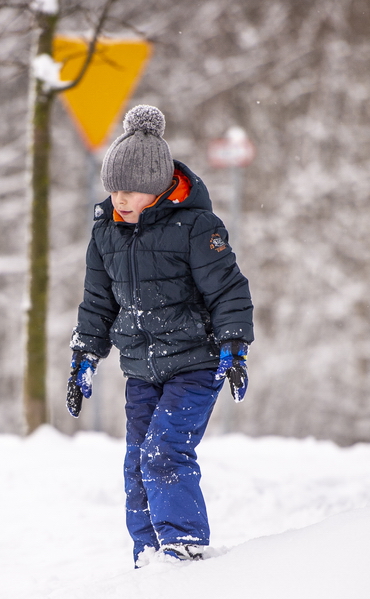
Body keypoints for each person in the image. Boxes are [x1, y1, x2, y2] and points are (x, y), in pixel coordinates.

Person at [66, 105, 254, 565]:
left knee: (164, 452)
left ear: (156, 187)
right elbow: (97, 302)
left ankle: (183, 546)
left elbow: (228, 288)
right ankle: (149, 554)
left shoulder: (195, 228)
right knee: (136, 462)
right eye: (113, 190)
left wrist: (233, 344)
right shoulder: (105, 234)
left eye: (129, 191)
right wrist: (84, 356)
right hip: (142, 371)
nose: (119, 200)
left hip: (196, 362)